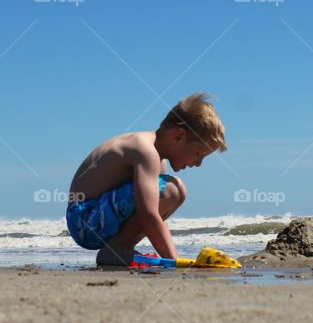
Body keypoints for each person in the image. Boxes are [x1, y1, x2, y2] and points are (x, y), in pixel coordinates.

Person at [66, 92, 227, 266]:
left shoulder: (157, 158)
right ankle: (116, 249)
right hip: (85, 220)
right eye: (197, 154)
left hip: (92, 220)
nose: (198, 164)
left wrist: (170, 256)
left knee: (170, 190)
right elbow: (148, 214)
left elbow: (155, 214)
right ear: (179, 136)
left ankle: (119, 248)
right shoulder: (144, 150)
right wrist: (173, 262)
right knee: (174, 189)